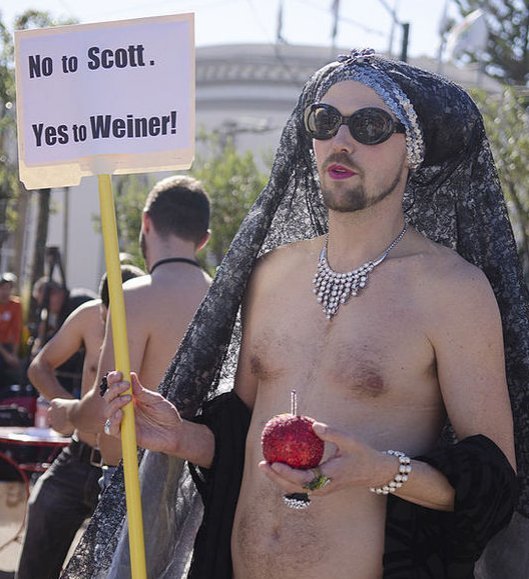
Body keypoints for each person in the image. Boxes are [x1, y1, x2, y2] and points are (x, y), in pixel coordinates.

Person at [63, 50, 529, 579]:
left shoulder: (453, 290)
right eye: (324, 120)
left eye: (370, 125)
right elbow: (244, 438)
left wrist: (378, 471)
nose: (341, 140)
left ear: (412, 150)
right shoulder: (271, 274)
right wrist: (181, 437)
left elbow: (494, 482)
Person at [59, 174, 212, 471]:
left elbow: (104, 406)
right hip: (197, 480)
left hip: (132, 479)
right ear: (204, 239)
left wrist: (67, 412)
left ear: (146, 223)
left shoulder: (133, 296)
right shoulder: (222, 300)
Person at [16, 265, 145, 579]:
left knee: (114, 565)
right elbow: (40, 367)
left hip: (129, 469)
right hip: (78, 458)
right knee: (42, 512)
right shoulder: (90, 316)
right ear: (103, 307)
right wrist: (68, 409)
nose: (108, 324)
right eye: (106, 315)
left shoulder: (147, 323)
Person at [29, 277, 97, 397]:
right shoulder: (66, 305)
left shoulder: (75, 304)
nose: (48, 309)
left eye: (47, 304)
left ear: (56, 294)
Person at [0, 272, 23, 388]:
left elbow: (16, 330)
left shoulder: (15, 305)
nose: (5, 292)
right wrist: (7, 356)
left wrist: (14, 354)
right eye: (2, 288)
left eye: (8, 289)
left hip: (8, 346)